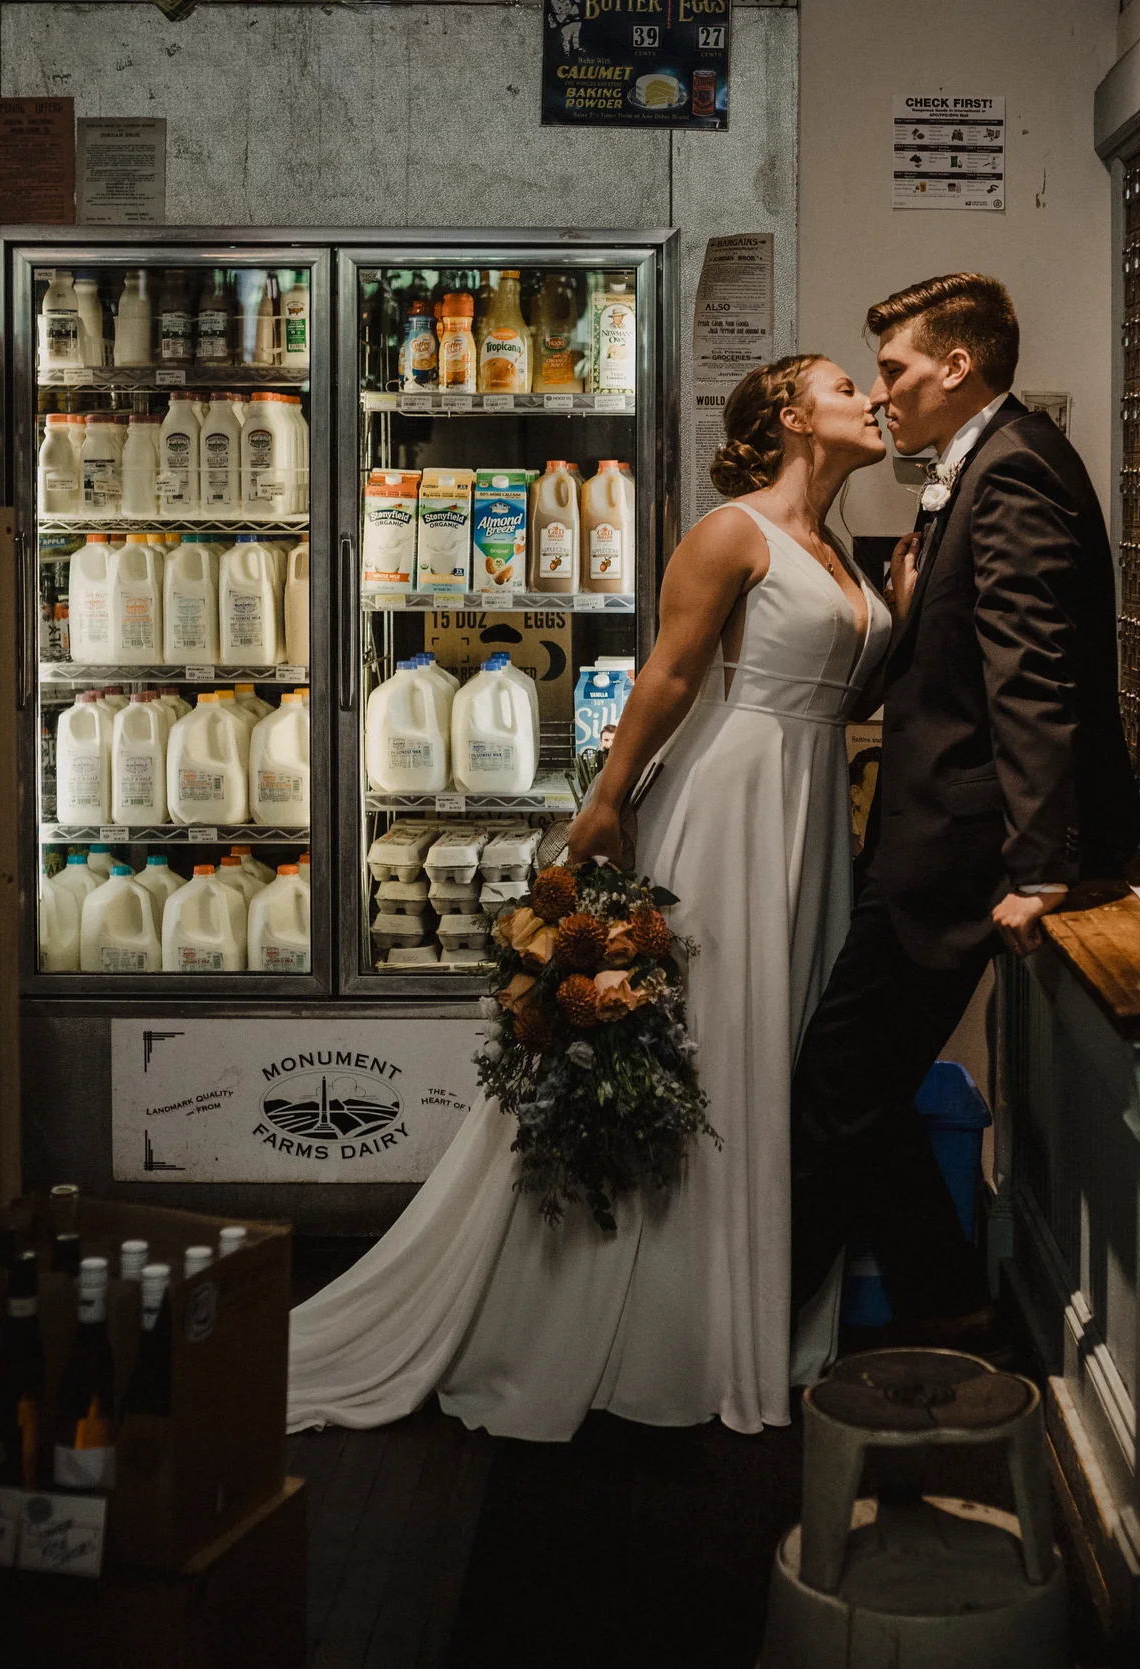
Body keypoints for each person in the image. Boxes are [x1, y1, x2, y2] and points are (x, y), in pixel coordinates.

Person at [287, 354, 892, 1440]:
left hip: (807, 811)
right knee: (718, 1040)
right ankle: (667, 1322)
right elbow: (667, 673)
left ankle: (744, 1314)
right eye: (848, 385)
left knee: (781, 1048)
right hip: (735, 800)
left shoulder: (832, 546)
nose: (872, 399)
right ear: (795, 416)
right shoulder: (732, 533)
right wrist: (606, 805)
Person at [788, 273, 1140, 1352]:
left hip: (957, 852)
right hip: (929, 840)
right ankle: (947, 1303)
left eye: (893, 368)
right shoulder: (984, 465)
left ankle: (754, 1331)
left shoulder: (1014, 469)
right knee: (862, 1089)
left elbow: (1028, 678)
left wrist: (1038, 868)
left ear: (957, 365)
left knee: (835, 1088)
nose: (884, 390)